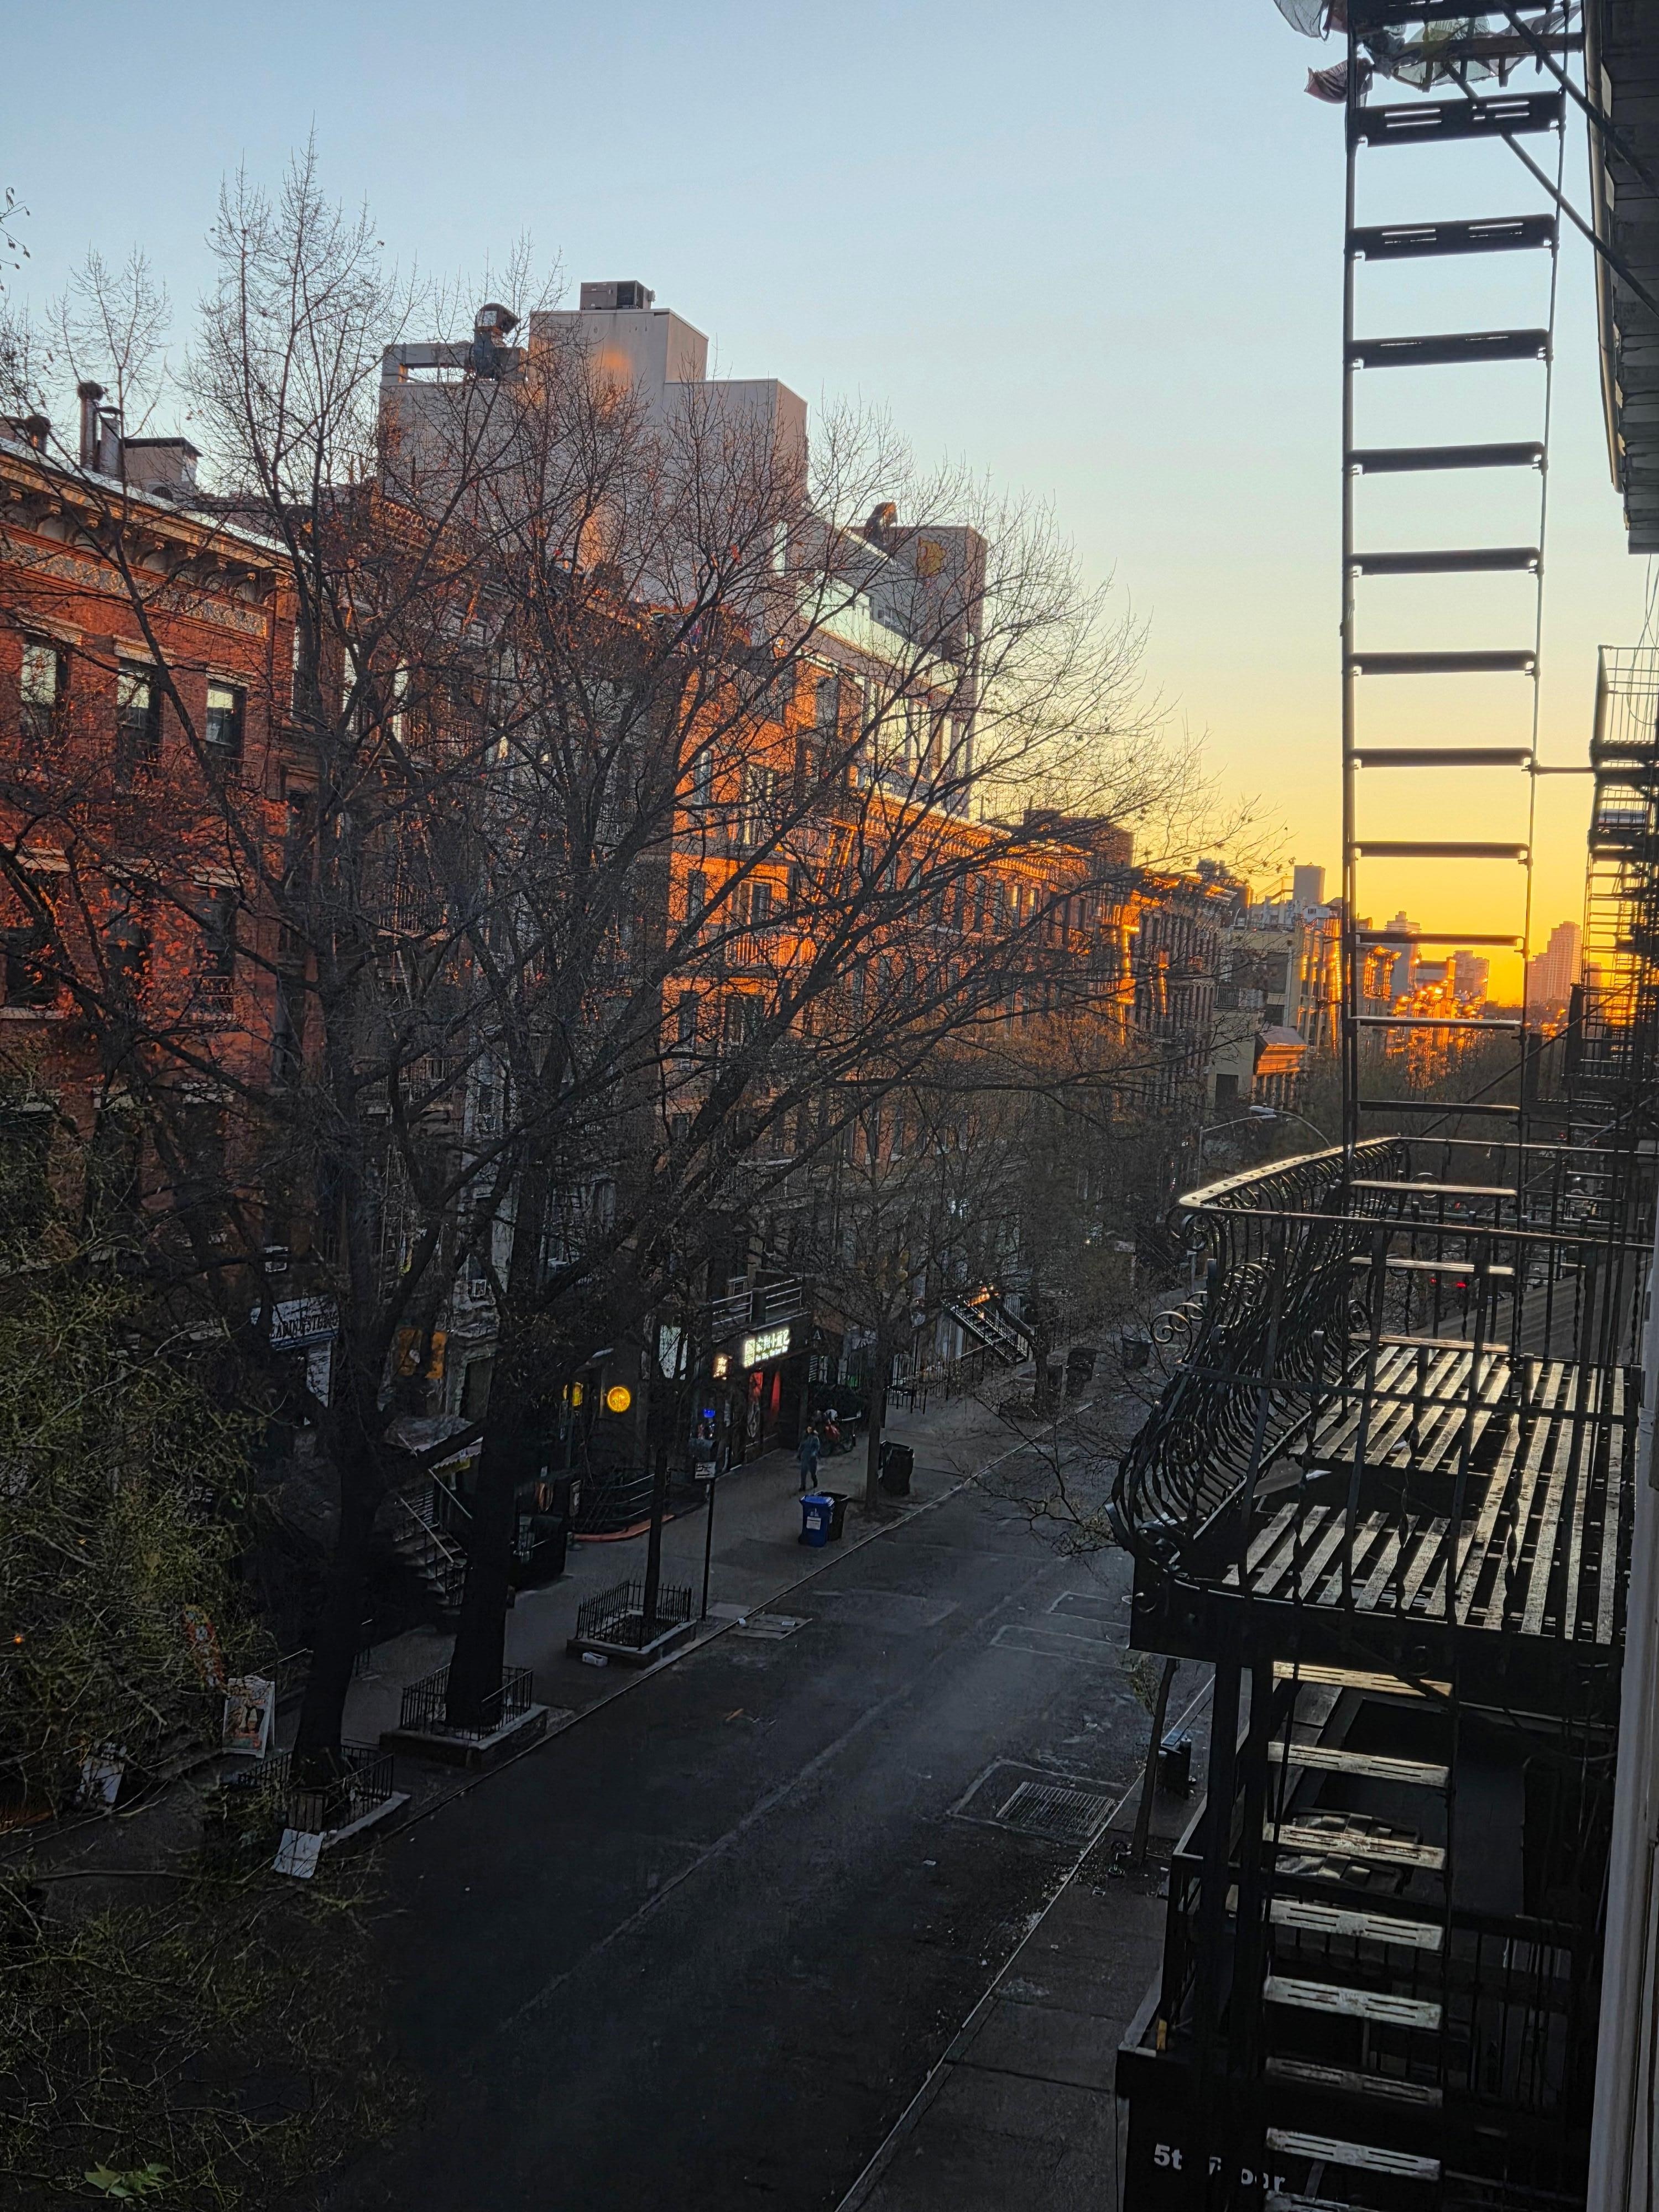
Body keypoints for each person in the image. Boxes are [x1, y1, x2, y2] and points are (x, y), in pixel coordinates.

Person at [796, 1423, 822, 1491]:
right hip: (805, 1456)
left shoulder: (815, 1439)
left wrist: (814, 1454)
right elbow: (802, 1447)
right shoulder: (805, 1438)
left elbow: (817, 1448)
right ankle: (803, 1486)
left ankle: (815, 1480)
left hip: (812, 1458)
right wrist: (799, 1454)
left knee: (813, 1472)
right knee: (803, 1472)